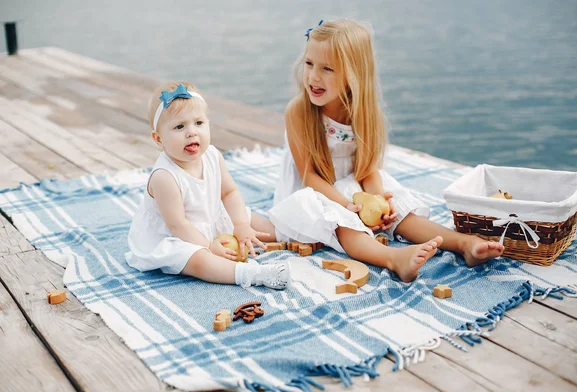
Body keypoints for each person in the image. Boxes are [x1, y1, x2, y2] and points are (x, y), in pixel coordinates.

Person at [269, 19, 504, 283]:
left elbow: (367, 168)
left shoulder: (365, 114)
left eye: (327, 69)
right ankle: (393, 259)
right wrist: (348, 206)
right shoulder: (299, 112)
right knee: (346, 225)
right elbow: (309, 177)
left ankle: (463, 243)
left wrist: (379, 201)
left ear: (353, 74)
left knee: (403, 214)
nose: (313, 76)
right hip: (316, 193)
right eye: (309, 64)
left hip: (354, 190)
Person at [126, 81, 290, 289]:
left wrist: (240, 225)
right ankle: (251, 274)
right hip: (179, 236)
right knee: (197, 259)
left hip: (210, 217)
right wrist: (208, 246)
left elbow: (229, 192)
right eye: (179, 126)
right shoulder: (164, 177)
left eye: (199, 123)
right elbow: (178, 224)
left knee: (250, 219)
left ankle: (292, 234)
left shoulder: (212, 155)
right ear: (159, 139)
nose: (192, 132)